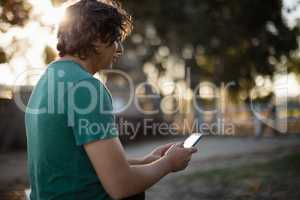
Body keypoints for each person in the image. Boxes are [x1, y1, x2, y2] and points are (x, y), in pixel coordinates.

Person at [25, 0, 198, 200]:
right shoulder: (86, 88)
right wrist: (168, 164)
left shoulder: (47, 79)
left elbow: (78, 166)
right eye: (115, 39)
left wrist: (147, 161)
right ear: (97, 39)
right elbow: (121, 185)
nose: (119, 50)